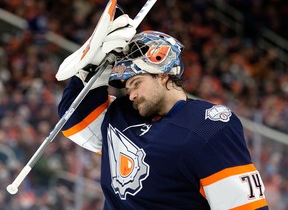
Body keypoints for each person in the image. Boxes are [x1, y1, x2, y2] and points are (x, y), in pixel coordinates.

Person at [57, 28, 269, 209]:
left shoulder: (209, 126)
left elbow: (243, 205)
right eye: (128, 88)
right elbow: (72, 122)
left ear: (163, 74)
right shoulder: (120, 115)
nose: (131, 94)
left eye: (137, 83)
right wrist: (95, 67)